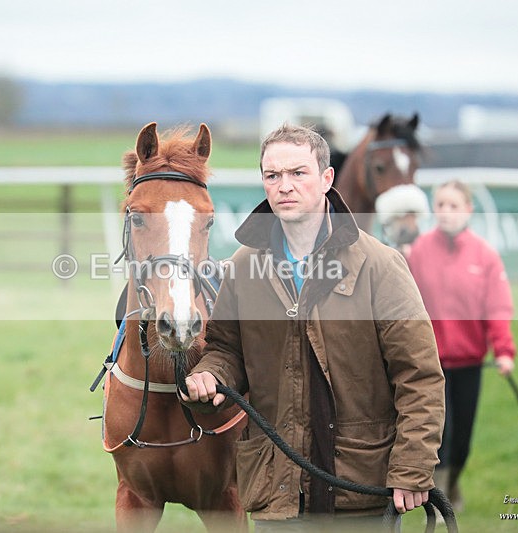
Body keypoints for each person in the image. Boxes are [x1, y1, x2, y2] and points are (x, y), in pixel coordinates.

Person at [179, 124, 445, 528]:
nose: (284, 185)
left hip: (359, 491)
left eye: (297, 173)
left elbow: (420, 375)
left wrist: (412, 465)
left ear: (326, 178)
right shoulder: (242, 267)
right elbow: (225, 350)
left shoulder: (380, 266)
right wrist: (209, 375)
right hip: (276, 492)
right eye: (272, 175)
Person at [406, 179, 516, 511]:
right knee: (443, 436)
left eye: (454, 206)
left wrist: (504, 352)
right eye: (440, 205)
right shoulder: (419, 252)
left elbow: (497, 308)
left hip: (469, 364)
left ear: (468, 210)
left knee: (463, 441)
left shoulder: (485, 256)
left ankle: (453, 486)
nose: (446, 212)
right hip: (430, 365)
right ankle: (440, 503)